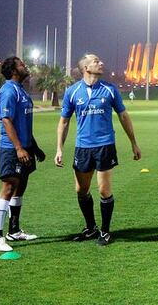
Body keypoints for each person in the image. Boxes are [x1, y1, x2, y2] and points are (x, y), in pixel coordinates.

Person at [54, 54, 141, 246]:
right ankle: (91, 227)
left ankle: (105, 231)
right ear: (85, 68)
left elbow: (124, 116)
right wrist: (59, 149)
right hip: (83, 147)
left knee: (104, 190)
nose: (101, 63)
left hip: (105, 145)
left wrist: (133, 142)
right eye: (96, 61)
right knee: (81, 190)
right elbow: (64, 122)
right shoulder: (72, 92)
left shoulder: (110, 90)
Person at [0, 57, 42, 252]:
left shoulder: (21, 90)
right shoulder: (9, 90)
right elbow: (7, 121)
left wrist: (34, 147)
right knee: (9, 187)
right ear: (13, 70)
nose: (24, 66)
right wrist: (19, 148)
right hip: (11, 148)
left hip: (25, 147)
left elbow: (23, 122)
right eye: (21, 64)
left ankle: (14, 230)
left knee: (20, 188)